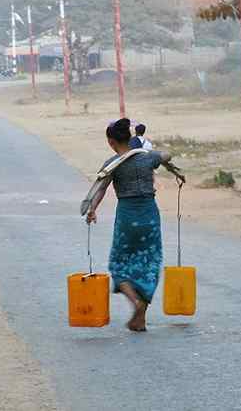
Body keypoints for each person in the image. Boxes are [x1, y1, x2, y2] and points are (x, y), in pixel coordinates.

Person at [86, 118, 172, 332]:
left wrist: (92, 210)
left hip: (127, 217)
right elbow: (167, 154)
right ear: (130, 137)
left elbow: (101, 188)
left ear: (111, 142)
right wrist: (151, 153)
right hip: (150, 216)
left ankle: (135, 303)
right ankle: (140, 315)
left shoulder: (112, 164)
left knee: (119, 264)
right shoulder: (147, 158)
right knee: (150, 262)